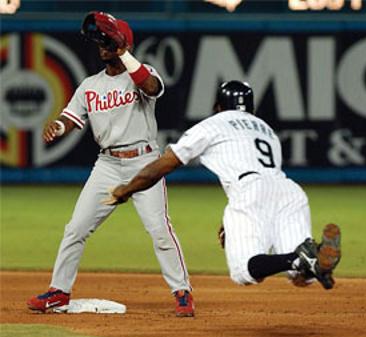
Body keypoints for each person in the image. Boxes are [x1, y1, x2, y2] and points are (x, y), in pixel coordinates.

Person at [27, 11, 194, 317]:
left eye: (107, 41)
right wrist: (59, 127)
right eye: (100, 43)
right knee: (75, 229)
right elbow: (71, 117)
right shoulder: (90, 85)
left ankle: (182, 292)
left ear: (122, 43)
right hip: (107, 165)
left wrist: (124, 52)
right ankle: (58, 292)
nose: (102, 47)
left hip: (144, 162)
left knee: (159, 230)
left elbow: (152, 87)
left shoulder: (142, 72)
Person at [104, 80, 342, 290]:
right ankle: (311, 257)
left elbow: (165, 164)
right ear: (251, 107)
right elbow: (262, 181)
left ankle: (301, 257)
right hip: (289, 191)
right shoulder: (266, 130)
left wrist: (126, 189)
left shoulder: (214, 124)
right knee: (301, 276)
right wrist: (233, 225)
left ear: (218, 107)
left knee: (243, 272)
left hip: (250, 190)